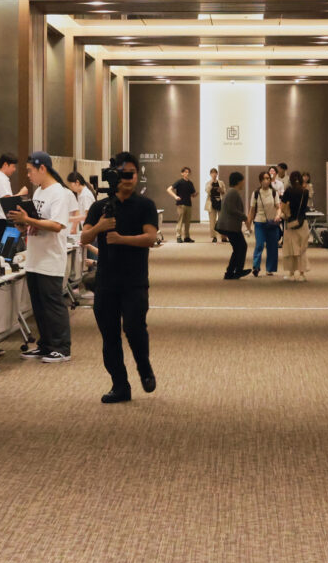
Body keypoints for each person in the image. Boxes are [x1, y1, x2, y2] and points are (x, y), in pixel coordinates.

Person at [80, 151, 158, 403]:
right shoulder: (99, 207)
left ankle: (144, 368)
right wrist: (100, 227)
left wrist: (121, 239)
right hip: (106, 282)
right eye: (123, 174)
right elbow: (84, 237)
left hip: (135, 281)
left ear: (137, 176)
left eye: (131, 174)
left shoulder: (145, 206)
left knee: (135, 329)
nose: (127, 179)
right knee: (109, 336)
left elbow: (151, 238)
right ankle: (120, 385)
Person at [11, 151, 79, 364]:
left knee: (52, 304)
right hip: (34, 258)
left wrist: (28, 219)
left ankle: (62, 347)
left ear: (43, 168)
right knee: (39, 306)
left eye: (30, 171)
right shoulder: (39, 191)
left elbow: (57, 225)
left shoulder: (59, 193)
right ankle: (46, 344)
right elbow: (37, 222)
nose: (28, 175)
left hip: (50, 259)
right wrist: (23, 225)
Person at [280, 170, 312, 281]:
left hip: (290, 223)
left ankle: (291, 273)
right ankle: (302, 274)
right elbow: (304, 207)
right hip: (302, 222)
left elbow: (282, 208)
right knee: (302, 249)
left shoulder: (288, 191)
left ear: (291, 180)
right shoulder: (305, 192)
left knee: (290, 249)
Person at [217, 171, 249, 278]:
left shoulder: (230, 192)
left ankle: (230, 272)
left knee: (239, 248)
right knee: (241, 246)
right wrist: (244, 216)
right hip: (230, 226)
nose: (243, 183)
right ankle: (236, 270)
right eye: (243, 181)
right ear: (238, 181)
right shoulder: (233, 192)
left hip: (230, 226)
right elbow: (231, 209)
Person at [250, 169, 281, 276]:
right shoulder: (256, 193)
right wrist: (248, 225)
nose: (266, 180)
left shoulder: (274, 193)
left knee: (272, 246)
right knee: (259, 245)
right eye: (263, 179)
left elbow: (278, 207)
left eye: (267, 178)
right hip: (259, 222)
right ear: (260, 181)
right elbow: (252, 210)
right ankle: (256, 267)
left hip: (272, 223)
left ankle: (270, 268)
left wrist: (278, 215)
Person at [0, 153, 18, 231]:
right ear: (5, 165)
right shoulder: (1, 179)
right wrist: (22, 193)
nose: (14, 169)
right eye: (13, 166)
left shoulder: (0, 178)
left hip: (0, 222)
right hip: (0, 223)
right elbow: (8, 201)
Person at [170, 166, 197, 243]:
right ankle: (178, 236)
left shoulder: (190, 183)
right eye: (185, 172)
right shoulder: (179, 182)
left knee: (188, 222)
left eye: (188, 172)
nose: (187, 173)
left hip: (189, 204)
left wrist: (195, 194)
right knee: (180, 221)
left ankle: (187, 237)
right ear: (182, 173)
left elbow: (192, 194)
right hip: (181, 204)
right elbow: (169, 189)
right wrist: (175, 196)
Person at [206, 168, 224, 242]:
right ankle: (214, 237)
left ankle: (223, 236)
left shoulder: (221, 182)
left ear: (217, 174)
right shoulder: (208, 183)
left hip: (220, 202)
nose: (214, 174)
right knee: (212, 221)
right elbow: (207, 191)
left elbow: (224, 192)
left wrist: (221, 190)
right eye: (212, 173)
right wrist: (211, 183)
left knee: (221, 220)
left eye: (215, 173)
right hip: (212, 202)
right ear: (210, 174)